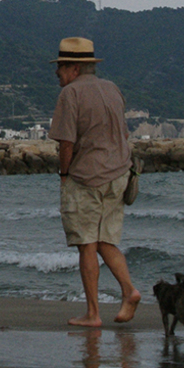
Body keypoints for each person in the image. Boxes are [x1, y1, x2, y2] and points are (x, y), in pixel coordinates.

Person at [47, 37, 140, 327]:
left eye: (61, 67)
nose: (57, 73)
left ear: (74, 68)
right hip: (120, 173)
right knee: (105, 240)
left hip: (86, 176)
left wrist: (64, 175)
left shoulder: (70, 94)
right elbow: (123, 134)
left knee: (86, 244)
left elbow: (66, 144)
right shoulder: (112, 89)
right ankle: (129, 291)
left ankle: (93, 313)